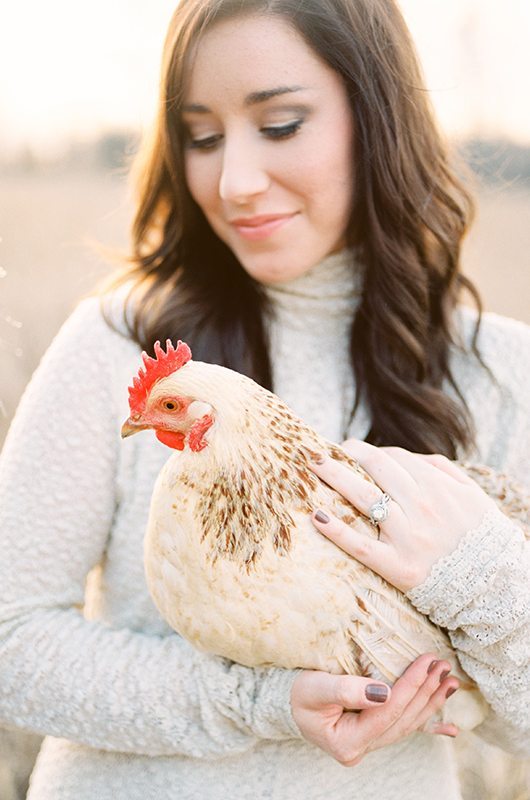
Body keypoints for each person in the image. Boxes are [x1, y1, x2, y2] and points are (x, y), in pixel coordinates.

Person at [0, 0, 528, 798]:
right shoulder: (115, 341)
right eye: (202, 136)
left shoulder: (495, 370)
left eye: (280, 125)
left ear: (376, 117)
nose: (234, 181)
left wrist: (479, 576)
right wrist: (255, 701)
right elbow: (9, 641)